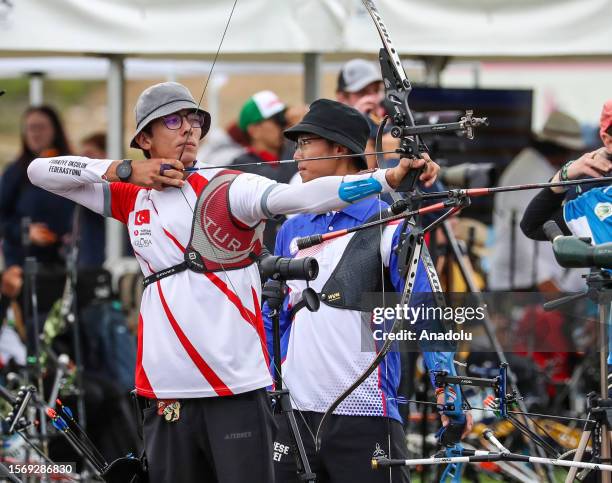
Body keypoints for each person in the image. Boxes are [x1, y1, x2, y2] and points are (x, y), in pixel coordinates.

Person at [27, 81, 439, 483]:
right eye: (173, 121)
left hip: (237, 391)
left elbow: (296, 197)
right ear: (144, 138)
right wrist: (124, 170)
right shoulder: (131, 196)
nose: (188, 129)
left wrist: (385, 179)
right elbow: (40, 171)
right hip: (166, 391)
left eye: (194, 120)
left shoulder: (229, 188)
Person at [263, 99, 471, 483]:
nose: (298, 154)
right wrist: (271, 381)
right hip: (294, 411)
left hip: (366, 410)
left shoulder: (388, 221)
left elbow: (426, 307)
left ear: (340, 149)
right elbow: (273, 314)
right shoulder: (291, 229)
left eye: (307, 142)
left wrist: (447, 385)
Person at [489, 109, 587, 293]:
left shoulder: (535, 165)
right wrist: (545, 282)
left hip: (532, 281)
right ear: (559, 148)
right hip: (523, 285)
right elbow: (519, 231)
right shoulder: (530, 173)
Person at [0, 106, 74, 326]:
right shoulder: (15, 172)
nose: (35, 133)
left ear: (55, 131)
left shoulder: (70, 166)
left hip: (63, 268)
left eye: (40, 127)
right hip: (25, 269)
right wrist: (25, 232)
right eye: (30, 128)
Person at [231, 90, 300, 250]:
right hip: (265, 258)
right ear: (253, 130)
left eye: (284, 119)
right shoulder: (241, 165)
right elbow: (285, 184)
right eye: (278, 120)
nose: (284, 125)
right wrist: (297, 131)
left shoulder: (292, 152)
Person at [336, 58, 397, 168]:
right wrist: (355, 120)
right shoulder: (331, 129)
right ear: (342, 97)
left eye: (376, 90)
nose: (373, 99)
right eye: (362, 92)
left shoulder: (392, 115)